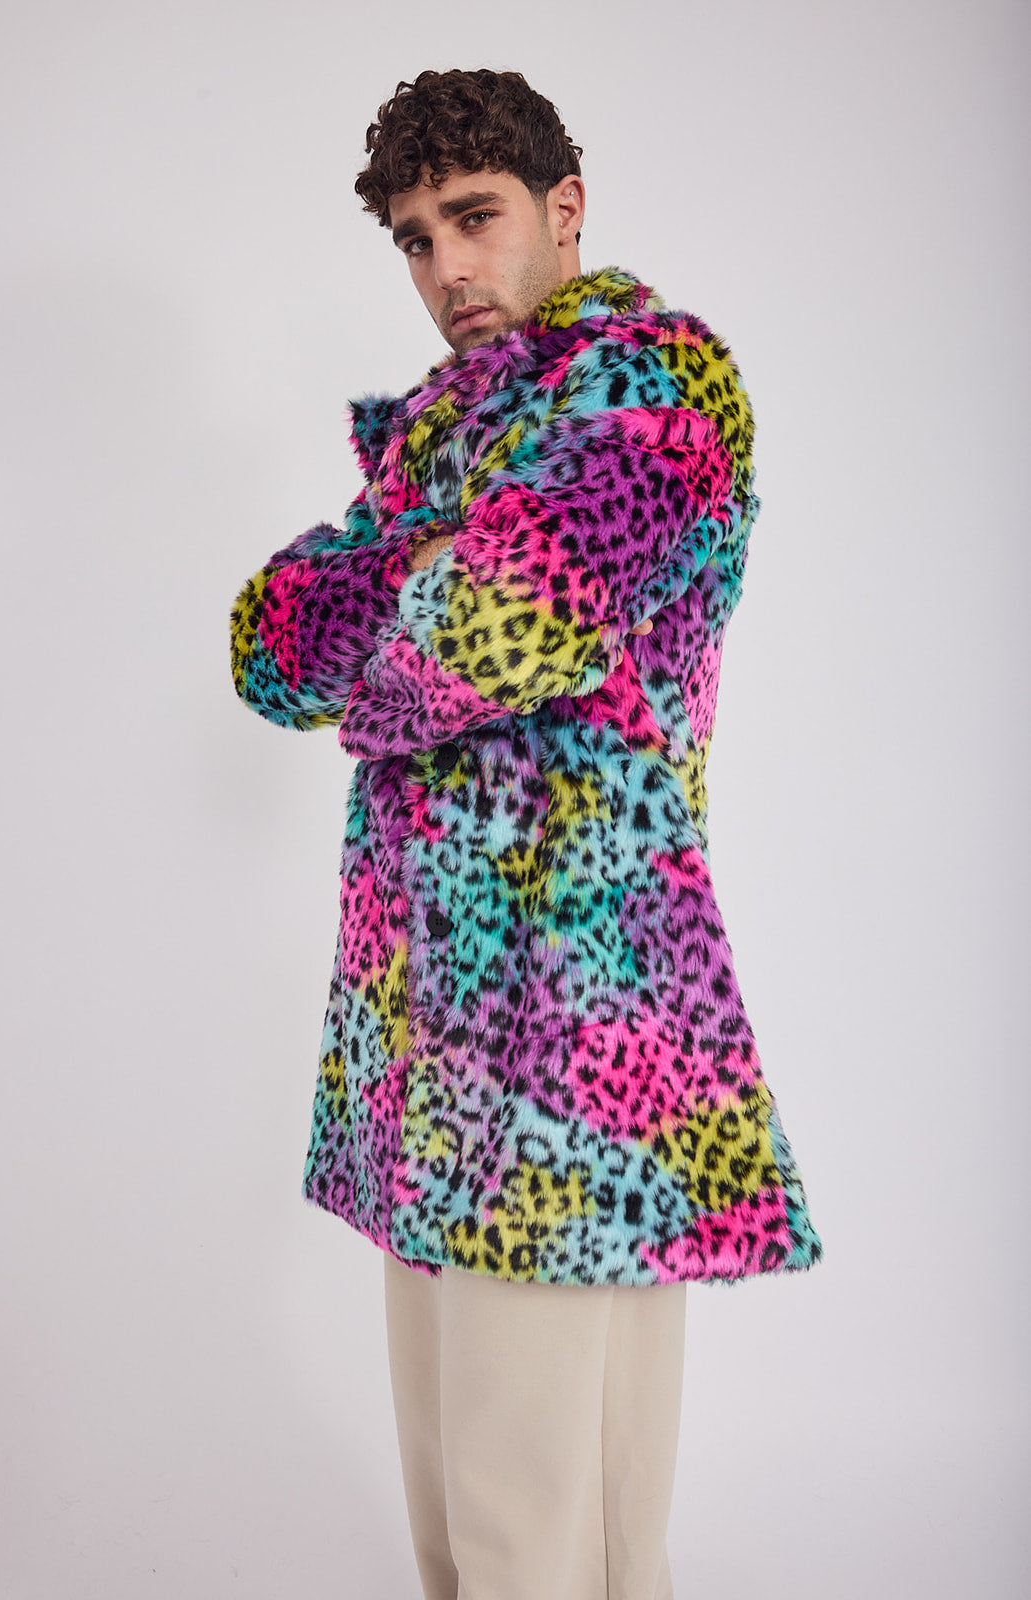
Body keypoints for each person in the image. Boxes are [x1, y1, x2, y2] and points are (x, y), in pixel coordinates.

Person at [231, 66, 822, 1600]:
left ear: (566, 210)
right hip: (424, 1020)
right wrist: (420, 577)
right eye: (416, 239)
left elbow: (498, 624)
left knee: (526, 1528)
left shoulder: (659, 382)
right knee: (490, 1516)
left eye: (475, 218)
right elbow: (269, 647)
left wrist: (399, 594)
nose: (448, 269)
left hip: (573, 1018)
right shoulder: (450, 430)